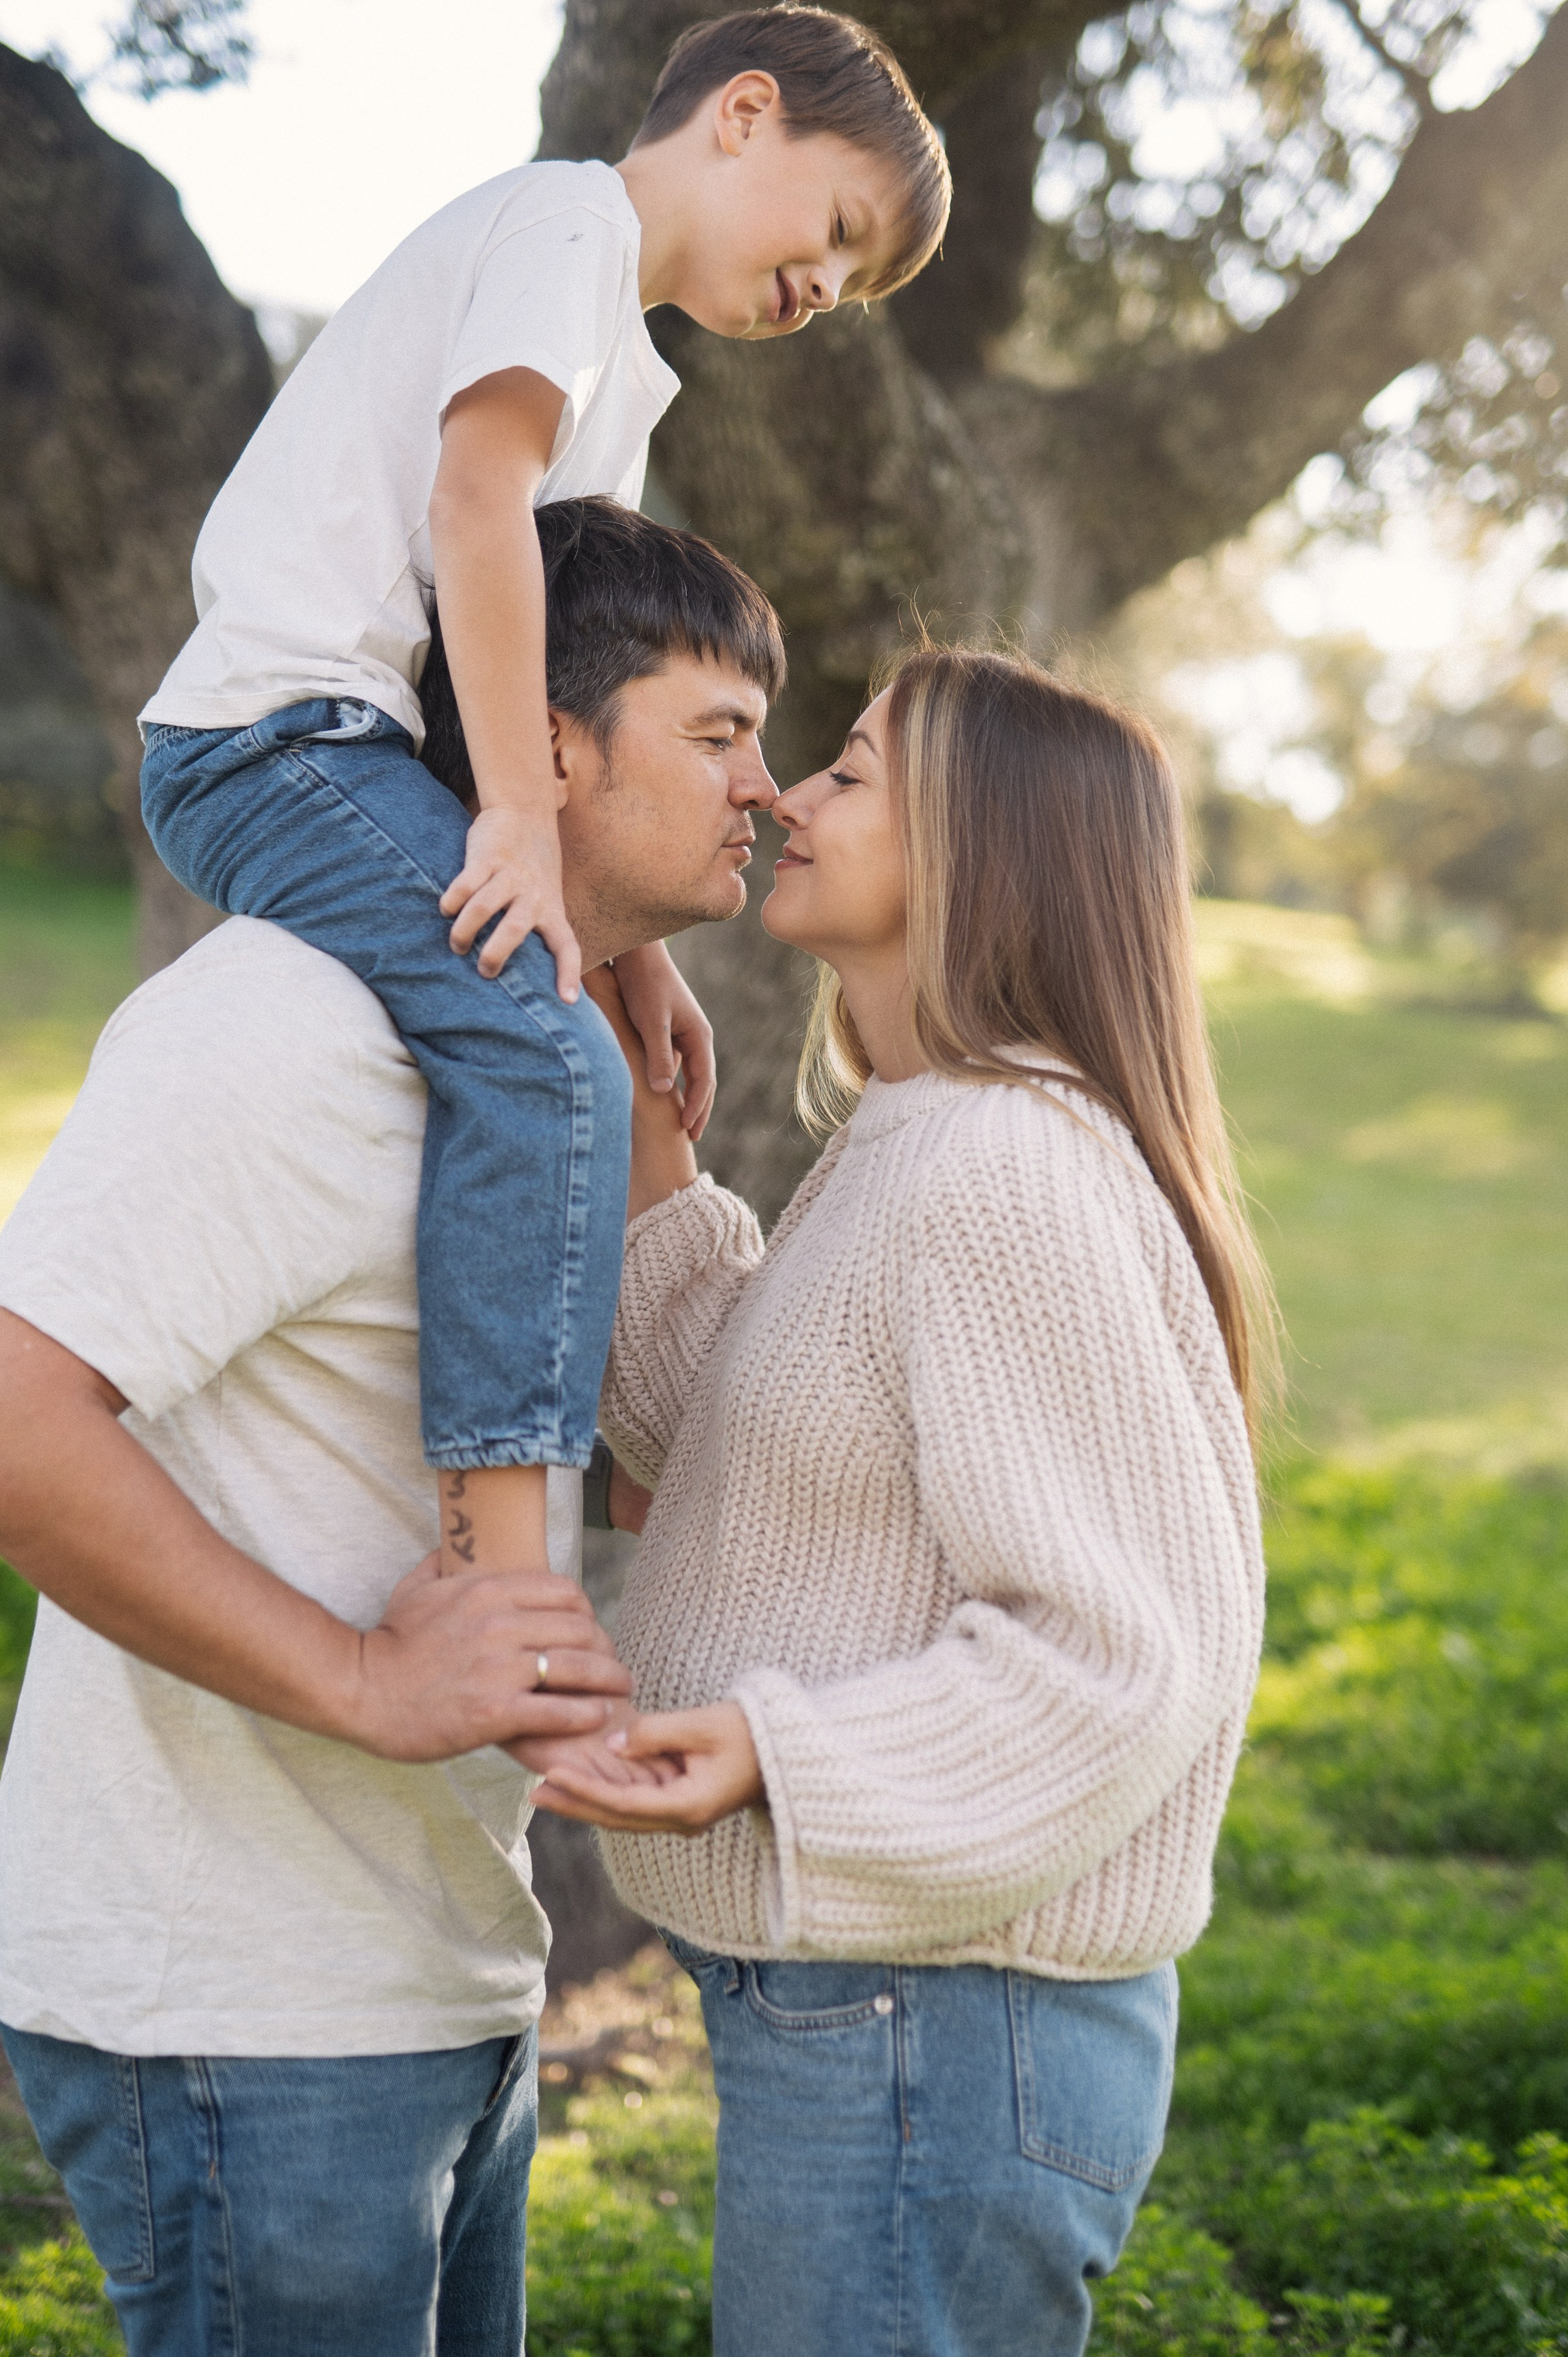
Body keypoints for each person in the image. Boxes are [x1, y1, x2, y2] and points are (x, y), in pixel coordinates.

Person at [0, 498, 784, 2357]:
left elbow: (639, 1457)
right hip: (239, 2006)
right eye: (719, 735)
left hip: (435, 1972)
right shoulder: (293, 1026)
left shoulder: (538, 1074)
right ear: (550, 742)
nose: (763, 792)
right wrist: (373, 1687)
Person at [136, 2, 950, 1600]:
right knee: (534, 1040)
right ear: (742, 111)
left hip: (366, 750)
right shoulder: (564, 220)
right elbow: (472, 497)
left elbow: (581, 682)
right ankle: (509, 1556)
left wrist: (629, 945)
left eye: (850, 288)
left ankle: (619, 1462)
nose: (822, 292)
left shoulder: (625, 385)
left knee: (583, 1025)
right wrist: (515, 818)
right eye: (836, 230)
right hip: (272, 737)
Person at [537, 645, 1273, 2357]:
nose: (786, 795)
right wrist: (644, 1112)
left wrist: (769, 1754)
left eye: (849, 772)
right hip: (898, 2007)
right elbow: (741, 1446)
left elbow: (1114, 1660)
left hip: (938, 2023)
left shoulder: (999, 1167)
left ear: (983, 848)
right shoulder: (930, 1133)